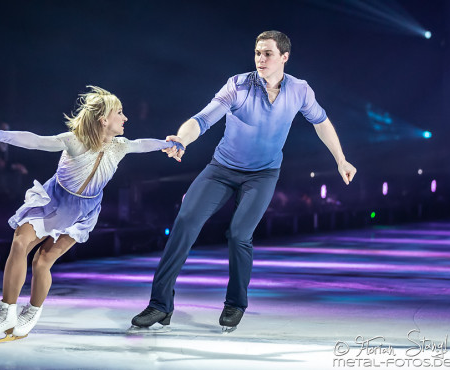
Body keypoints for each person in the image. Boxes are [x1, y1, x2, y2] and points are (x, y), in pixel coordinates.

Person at [132, 30, 357, 331]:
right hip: (222, 169)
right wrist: (182, 139)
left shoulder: (300, 90)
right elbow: (203, 118)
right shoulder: (238, 85)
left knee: (239, 234)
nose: (261, 59)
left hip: (263, 175)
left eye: (268, 54)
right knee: (185, 221)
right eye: (257, 53)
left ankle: (235, 303)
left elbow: (321, 122)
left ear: (284, 57)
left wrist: (340, 159)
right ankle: (160, 305)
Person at [0, 86, 183, 344]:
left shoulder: (119, 147)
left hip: (82, 212)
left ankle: (32, 311)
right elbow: (37, 141)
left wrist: (168, 143)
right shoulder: (75, 140)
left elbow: (143, 144)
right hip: (53, 200)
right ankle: (6, 311)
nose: (125, 118)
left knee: (42, 262)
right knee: (19, 243)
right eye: (120, 112)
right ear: (104, 120)